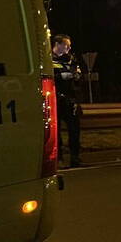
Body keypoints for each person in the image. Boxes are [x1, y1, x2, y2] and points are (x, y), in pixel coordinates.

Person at [51, 34, 83, 167]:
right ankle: (58, 159)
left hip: (71, 99)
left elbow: (78, 74)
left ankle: (75, 157)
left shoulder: (72, 59)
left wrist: (76, 76)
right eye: (66, 45)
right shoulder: (48, 60)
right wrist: (61, 76)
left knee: (74, 130)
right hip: (56, 99)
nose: (69, 48)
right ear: (57, 44)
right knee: (55, 131)